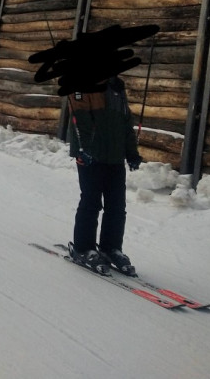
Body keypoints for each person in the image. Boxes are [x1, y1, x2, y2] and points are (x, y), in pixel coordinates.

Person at [66, 76, 142, 275]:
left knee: (117, 206)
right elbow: (78, 117)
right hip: (91, 154)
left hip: (114, 156)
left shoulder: (117, 87)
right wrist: (83, 148)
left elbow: (126, 123)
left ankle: (111, 247)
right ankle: (83, 248)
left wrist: (131, 152)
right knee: (91, 201)